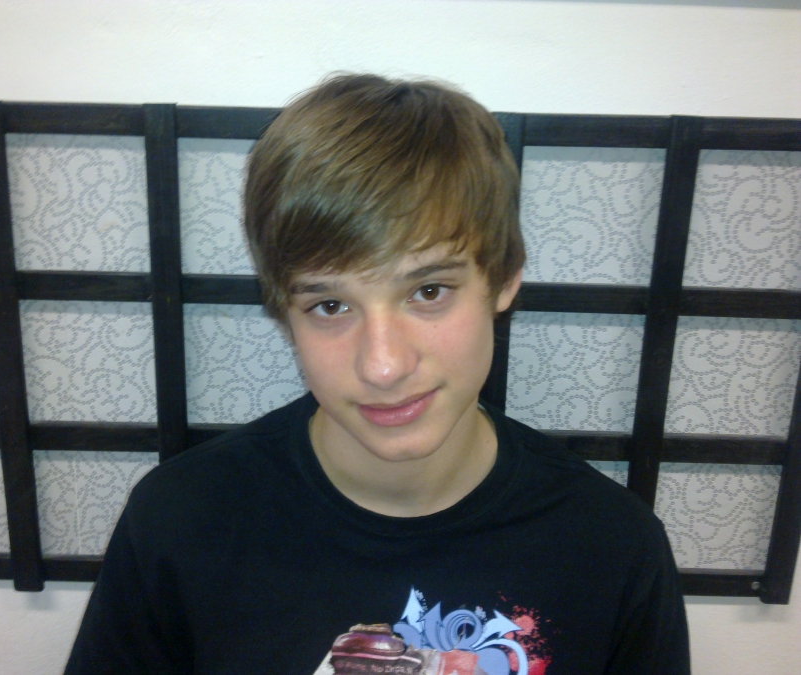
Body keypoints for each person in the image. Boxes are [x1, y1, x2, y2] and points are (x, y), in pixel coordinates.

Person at [64, 74, 690, 675]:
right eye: (330, 306)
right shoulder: (179, 522)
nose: (384, 366)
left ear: (503, 279)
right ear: (284, 314)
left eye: (428, 291)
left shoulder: (611, 548)